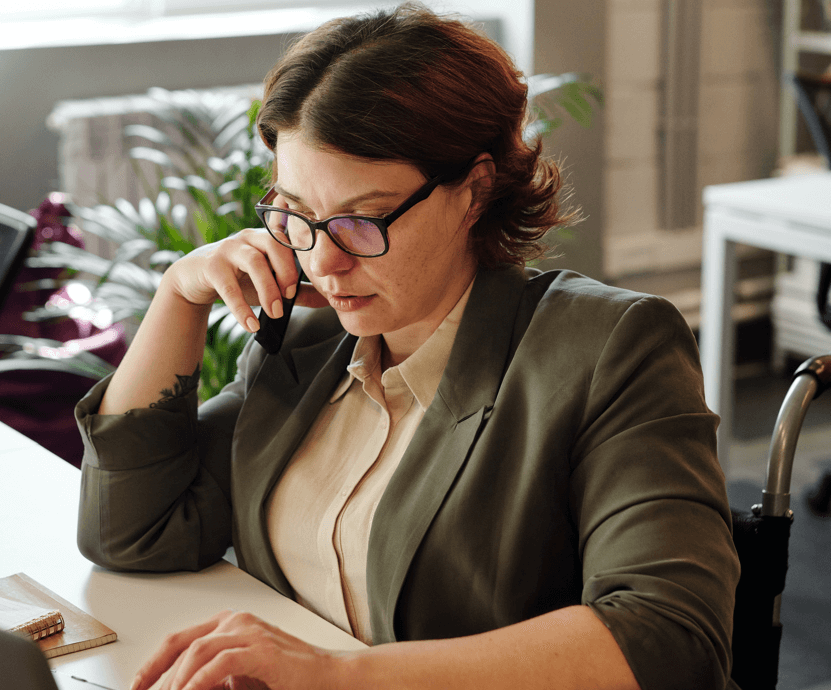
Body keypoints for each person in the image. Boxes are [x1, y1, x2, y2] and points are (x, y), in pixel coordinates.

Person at [74, 3, 740, 689]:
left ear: (474, 191)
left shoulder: (607, 348)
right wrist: (177, 299)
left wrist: (338, 675)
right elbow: (134, 532)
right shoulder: (310, 335)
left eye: (362, 221)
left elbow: (669, 638)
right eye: (297, 215)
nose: (324, 264)